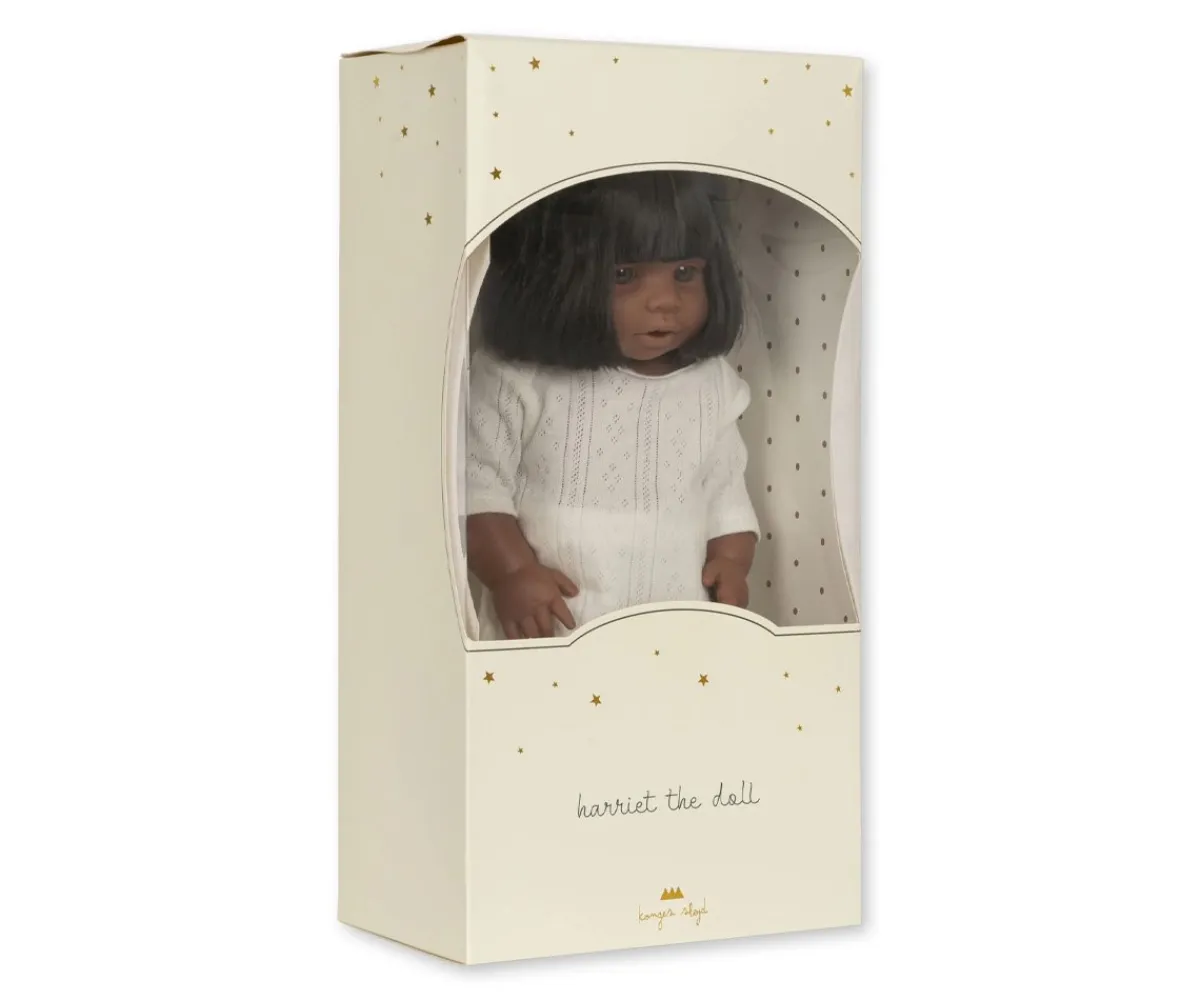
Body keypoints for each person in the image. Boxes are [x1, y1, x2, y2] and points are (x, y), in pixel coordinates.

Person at [465, 170, 760, 640]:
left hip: (676, 621)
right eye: (625, 276)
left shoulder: (712, 385)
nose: (665, 301)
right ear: (556, 275)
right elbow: (477, 484)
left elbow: (725, 489)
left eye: (685, 274)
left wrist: (731, 560)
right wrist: (512, 572)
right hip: (552, 622)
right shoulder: (520, 378)